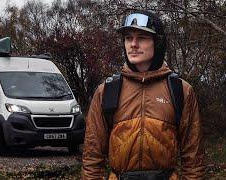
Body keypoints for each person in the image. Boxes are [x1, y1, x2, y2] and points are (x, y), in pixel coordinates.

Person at [81, 10, 205, 180]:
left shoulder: (180, 90)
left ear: (158, 42)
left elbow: (194, 157)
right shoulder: (107, 91)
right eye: (128, 38)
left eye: (141, 38)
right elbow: (92, 156)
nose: (133, 44)